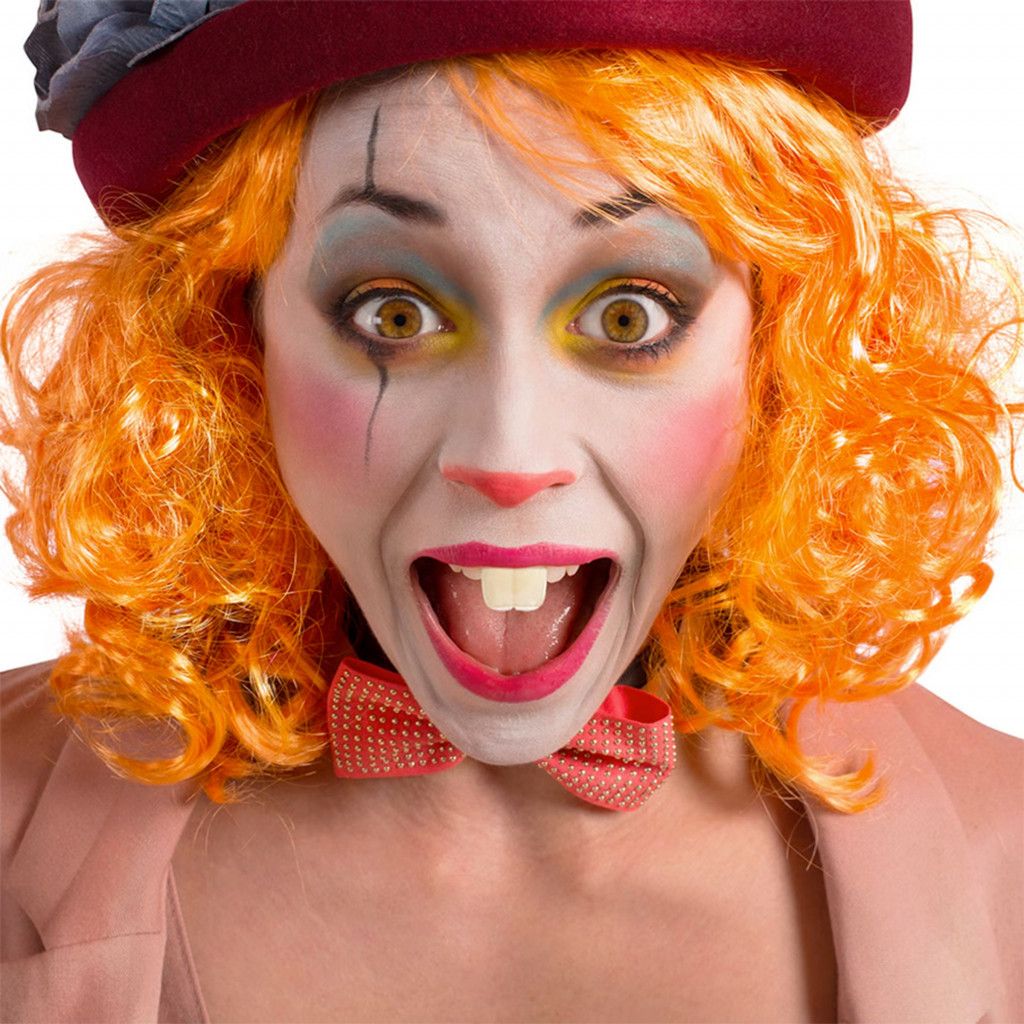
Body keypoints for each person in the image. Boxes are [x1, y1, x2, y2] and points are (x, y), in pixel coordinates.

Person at [1, 2, 1021, 1022]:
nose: (508, 457)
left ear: (781, 346)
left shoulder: (1003, 850)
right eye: (392, 313)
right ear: (231, 341)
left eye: (629, 315)